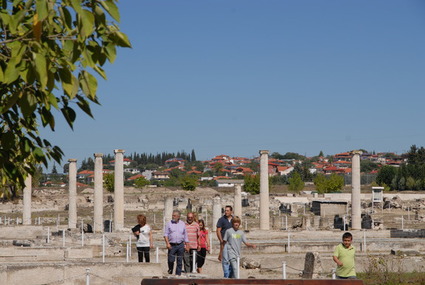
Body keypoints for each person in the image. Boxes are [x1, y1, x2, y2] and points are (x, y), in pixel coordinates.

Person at [164, 210, 189, 275]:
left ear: (178, 216)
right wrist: (167, 243)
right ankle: (170, 271)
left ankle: (178, 275)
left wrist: (187, 245)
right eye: (172, 215)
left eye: (174, 215)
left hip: (180, 245)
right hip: (172, 244)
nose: (173, 217)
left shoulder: (182, 224)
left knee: (179, 261)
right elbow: (166, 234)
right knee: (170, 260)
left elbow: (185, 235)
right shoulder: (169, 223)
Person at [216, 205, 234, 278]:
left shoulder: (234, 219)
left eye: (227, 210)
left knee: (233, 260)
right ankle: (226, 276)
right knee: (225, 260)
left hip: (233, 243)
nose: (226, 212)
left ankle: (231, 276)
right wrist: (221, 240)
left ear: (231, 211)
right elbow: (218, 231)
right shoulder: (221, 219)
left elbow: (237, 230)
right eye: (225, 210)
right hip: (225, 242)